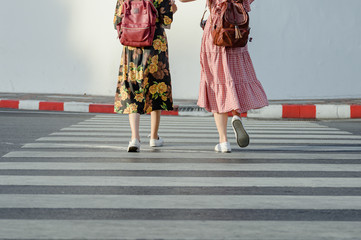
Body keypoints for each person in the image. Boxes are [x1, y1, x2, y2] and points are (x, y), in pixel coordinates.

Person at [179, 0, 268, 153]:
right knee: (235, 77)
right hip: (236, 34)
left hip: (216, 34)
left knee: (217, 82)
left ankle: (223, 141)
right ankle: (236, 116)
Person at [113, 0, 177, 152]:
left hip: (132, 45)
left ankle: (135, 138)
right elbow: (166, 19)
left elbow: (117, 19)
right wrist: (173, 9)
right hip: (155, 44)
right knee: (156, 87)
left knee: (132, 89)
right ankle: (154, 137)